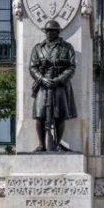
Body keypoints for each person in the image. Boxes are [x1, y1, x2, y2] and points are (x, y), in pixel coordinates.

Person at [30, 19, 77, 151]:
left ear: (57, 32)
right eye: (47, 31)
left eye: (51, 31)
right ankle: (41, 144)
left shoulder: (67, 48)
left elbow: (71, 67)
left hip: (60, 85)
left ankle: (57, 143)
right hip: (42, 85)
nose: (48, 33)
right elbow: (33, 67)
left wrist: (59, 79)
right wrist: (42, 79)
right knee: (39, 115)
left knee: (60, 115)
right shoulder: (38, 48)